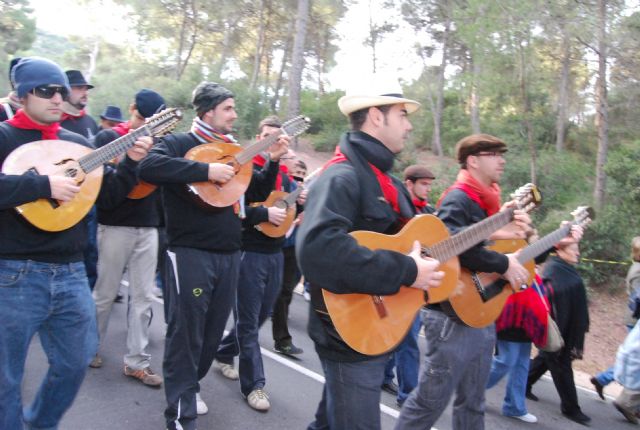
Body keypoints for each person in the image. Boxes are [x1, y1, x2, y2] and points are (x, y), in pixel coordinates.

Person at [0, 56, 151, 430]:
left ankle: (39, 423)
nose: (57, 98)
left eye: (61, 91)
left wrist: (131, 163)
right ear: (21, 96)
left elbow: (108, 198)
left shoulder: (77, 143)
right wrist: (41, 185)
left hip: (70, 272)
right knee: (5, 377)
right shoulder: (3, 137)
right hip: (13, 272)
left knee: (75, 360)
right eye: (45, 90)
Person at [296, 74, 445, 430]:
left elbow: (413, 239)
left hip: (375, 325)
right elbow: (318, 250)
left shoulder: (388, 183)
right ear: (377, 117)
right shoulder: (342, 178)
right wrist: (407, 271)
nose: (409, 126)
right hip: (349, 335)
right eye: (402, 115)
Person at [395, 133, 533, 430]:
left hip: (479, 314)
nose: (502, 160)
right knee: (430, 401)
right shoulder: (459, 197)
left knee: (473, 402)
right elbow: (450, 245)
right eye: (494, 154)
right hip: (450, 317)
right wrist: (502, 264)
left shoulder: (487, 202)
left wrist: (542, 245)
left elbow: (492, 251)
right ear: (473, 160)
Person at [138, 82, 251, 430]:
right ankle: (180, 414)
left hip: (229, 255)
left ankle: (190, 385)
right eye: (228, 108)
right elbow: (148, 169)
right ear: (208, 111)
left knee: (211, 334)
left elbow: (247, 199)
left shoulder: (234, 151)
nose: (234, 114)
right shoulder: (179, 143)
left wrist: (274, 162)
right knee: (186, 333)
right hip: (190, 254)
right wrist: (205, 171)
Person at [214, 115, 292, 412]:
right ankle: (254, 385)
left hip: (276, 254)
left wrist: (299, 203)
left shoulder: (284, 174)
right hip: (249, 252)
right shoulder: (243, 166)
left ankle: (223, 352)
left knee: (260, 318)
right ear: (258, 137)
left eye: (277, 136)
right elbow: (239, 208)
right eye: (267, 135)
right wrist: (264, 216)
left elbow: (284, 206)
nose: (272, 141)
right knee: (248, 323)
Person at [90, 89, 167, 387]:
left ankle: (136, 361)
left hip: (148, 227)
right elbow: (105, 196)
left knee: (144, 298)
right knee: (105, 293)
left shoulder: (160, 145)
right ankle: (90, 348)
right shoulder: (109, 139)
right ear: (132, 109)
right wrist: (129, 161)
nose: (146, 123)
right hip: (114, 226)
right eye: (143, 116)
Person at [486, 227, 582, 425]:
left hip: (525, 320)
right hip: (508, 316)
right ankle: (471, 389)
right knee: (506, 360)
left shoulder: (531, 262)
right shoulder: (507, 251)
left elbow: (537, 258)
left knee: (521, 364)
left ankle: (514, 406)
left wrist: (560, 237)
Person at [382, 164, 437, 406]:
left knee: (406, 337)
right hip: (395, 280)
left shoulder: (431, 214)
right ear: (409, 184)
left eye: (429, 184)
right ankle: (408, 395)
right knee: (409, 341)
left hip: (417, 287)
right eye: (423, 183)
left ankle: (384, 376)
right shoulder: (396, 212)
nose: (428, 188)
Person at [526, 241, 591, 425]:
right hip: (558, 326)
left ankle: (524, 384)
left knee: (547, 357)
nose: (577, 253)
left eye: (578, 249)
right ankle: (571, 408)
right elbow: (550, 297)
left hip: (567, 326)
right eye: (573, 249)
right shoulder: (554, 270)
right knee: (560, 362)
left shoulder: (566, 269)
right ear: (560, 251)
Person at [591, 235, 640, 400]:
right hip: (636, 319)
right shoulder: (637, 271)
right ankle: (629, 397)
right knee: (633, 357)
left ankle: (604, 379)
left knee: (633, 357)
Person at [271, 156, 308, 356]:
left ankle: (282, 340)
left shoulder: (303, 191)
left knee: (285, 292)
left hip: (292, 247)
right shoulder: (278, 181)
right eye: (297, 171)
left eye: (303, 174)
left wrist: (305, 210)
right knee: (262, 292)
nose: (299, 176)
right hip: (273, 244)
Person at [60, 70, 99, 139]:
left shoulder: (90, 121)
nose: (85, 93)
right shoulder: (53, 123)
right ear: (65, 91)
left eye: (86, 89)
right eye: (79, 88)